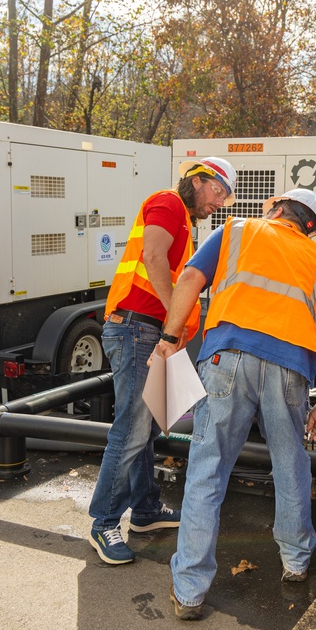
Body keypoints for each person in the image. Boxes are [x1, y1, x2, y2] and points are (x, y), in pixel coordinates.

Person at [151, 188, 316, 619]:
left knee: (207, 469)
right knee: (290, 463)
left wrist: (169, 340)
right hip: (291, 370)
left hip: (227, 357)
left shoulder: (236, 230)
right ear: (310, 229)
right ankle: (295, 562)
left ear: (277, 208)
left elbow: (188, 279)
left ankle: (189, 591)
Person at [88, 157, 238, 565]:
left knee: (150, 422)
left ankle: (147, 510)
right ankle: (104, 522)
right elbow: (154, 258)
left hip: (148, 331)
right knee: (132, 429)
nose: (218, 204)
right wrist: (174, 321)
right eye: (218, 192)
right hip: (138, 328)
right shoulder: (168, 203)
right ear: (200, 181)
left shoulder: (183, 220)